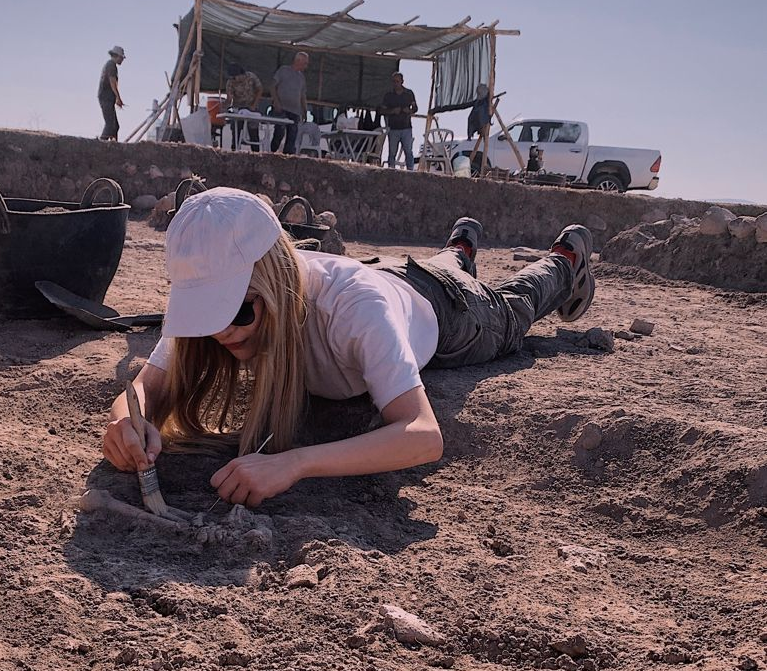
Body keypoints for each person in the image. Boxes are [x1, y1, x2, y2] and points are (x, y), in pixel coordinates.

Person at [102, 188, 597, 509]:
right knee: (446, 267)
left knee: (513, 310)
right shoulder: (234, 298)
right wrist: (127, 420)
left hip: (448, 316)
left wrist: (294, 463)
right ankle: (459, 249)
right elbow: (144, 387)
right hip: (387, 277)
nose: (222, 333)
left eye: (236, 313)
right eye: (207, 316)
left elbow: (423, 435)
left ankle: (564, 260)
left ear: (275, 281)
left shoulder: (355, 312)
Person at [270, 52, 309, 153]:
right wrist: (276, 102)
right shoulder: (283, 70)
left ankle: (288, 158)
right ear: (298, 61)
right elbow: (272, 86)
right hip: (281, 108)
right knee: (279, 131)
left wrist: (305, 110)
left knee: (292, 136)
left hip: (295, 111)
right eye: (305, 63)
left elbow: (302, 95)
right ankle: (272, 152)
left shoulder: (302, 78)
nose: (306, 66)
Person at [380, 72, 418, 170]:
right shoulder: (388, 96)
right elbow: (382, 110)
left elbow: (415, 108)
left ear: (402, 81)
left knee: (408, 151)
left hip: (406, 127)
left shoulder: (409, 94)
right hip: (393, 128)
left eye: (397, 81)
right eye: (394, 82)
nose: (395, 83)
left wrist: (408, 111)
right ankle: (391, 171)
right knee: (392, 152)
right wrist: (392, 111)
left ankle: (411, 171)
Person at [225, 62, 263, 150]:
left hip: (252, 108)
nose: (234, 79)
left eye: (235, 77)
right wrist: (225, 105)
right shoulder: (230, 82)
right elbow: (229, 98)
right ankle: (234, 152)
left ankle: (256, 154)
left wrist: (254, 105)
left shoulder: (251, 77)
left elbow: (260, 89)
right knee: (236, 131)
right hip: (238, 109)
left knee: (253, 132)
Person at [98, 46, 126, 141]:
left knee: (115, 126)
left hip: (108, 98)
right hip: (105, 97)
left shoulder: (110, 65)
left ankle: (113, 146)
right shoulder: (111, 65)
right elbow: (112, 82)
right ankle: (102, 144)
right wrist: (118, 98)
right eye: (121, 58)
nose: (122, 60)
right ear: (116, 56)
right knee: (110, 125)